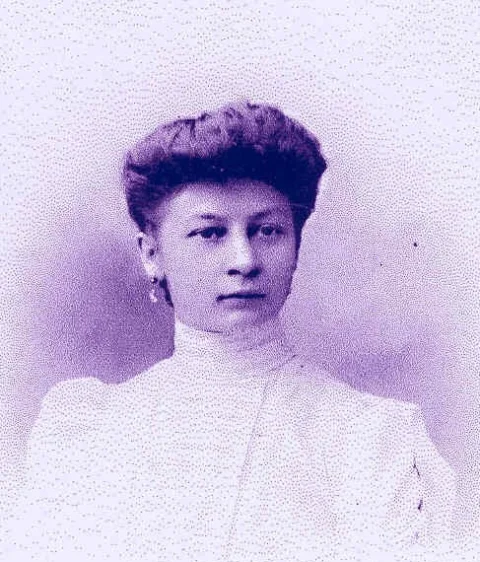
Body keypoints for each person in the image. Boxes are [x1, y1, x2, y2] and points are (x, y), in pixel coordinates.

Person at [2, 102, 457, 561]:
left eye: (267, 231)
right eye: (210, 233)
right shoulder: (88, 430)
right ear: (152, 254)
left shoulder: (370, 437)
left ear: (296, 243)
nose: (245, 261)